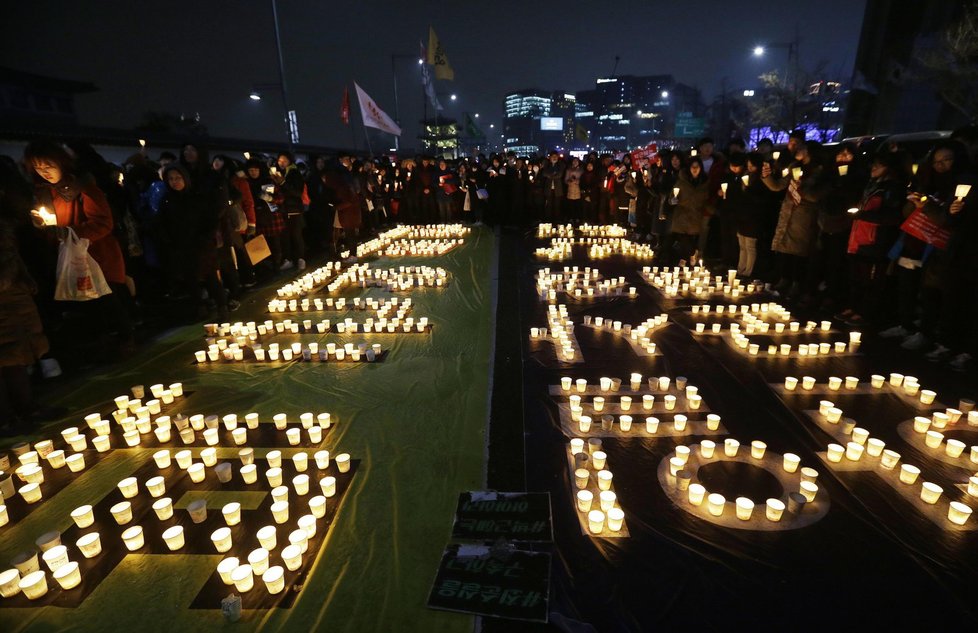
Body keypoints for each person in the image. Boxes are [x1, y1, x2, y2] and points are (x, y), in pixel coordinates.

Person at [24, 140, 134, 357]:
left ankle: (126, 339)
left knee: (108, 300)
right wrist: (42, 227)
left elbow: (103, 223)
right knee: (87, 304)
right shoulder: (44, 194)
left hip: (97, 256)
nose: (44, 172)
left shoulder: (83, 189)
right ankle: (103, 343)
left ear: (61, 163)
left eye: (48, 165)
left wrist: (70, 232)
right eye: (38, 168)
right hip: (71, 258)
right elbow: (51, 231)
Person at [840, 152, 908, 326]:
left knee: (871, 280)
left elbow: (892, 217)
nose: (874, 168)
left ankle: (865, 313)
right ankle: (854, 307)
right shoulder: (871, 186)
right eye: (874, 164)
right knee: (856, 277)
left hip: (876, 242)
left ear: (890, 169)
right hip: (859, 238)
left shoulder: (893, 189)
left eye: (880, 165)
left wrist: (863, 215)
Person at [761, 140, 832, 299]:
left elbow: (815, 196)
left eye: (803, 148)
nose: (798, 150)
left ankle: (797, 283)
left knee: (799, 252)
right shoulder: (794, 167)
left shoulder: (820, 172)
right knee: (785, 249)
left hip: (805, 216)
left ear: (810, 152)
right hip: (788, 213)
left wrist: (801, 188)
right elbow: (778, 186)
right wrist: (767, 176)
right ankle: (784, 279)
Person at [668, 156, 712, 264]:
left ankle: (686, 260)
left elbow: (707, 200)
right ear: (689, 168)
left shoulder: (705, 183)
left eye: (697, 167)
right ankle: (688, 257)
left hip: (696, 217)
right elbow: (671, 198)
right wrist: (673, 200)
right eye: (693, 167)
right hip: (682, 217)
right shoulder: (681, 182)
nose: (695, 169)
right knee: (685, 241)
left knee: (691, 242)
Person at [271, 151, 306, 270]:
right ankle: (288, 259)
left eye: (285, 160)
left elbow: (297, 192)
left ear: (290, 161)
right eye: (280, 160)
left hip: (294, 209)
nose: (282, 163)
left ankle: (301, 259)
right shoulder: (276, 173)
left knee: (296, 235)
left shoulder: (294, 173)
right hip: (282, 210)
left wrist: (283, 182)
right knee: (285, 237)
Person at [539, 151, 565, 221]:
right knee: (548, 205)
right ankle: (548, 220)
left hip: (558, 188)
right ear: (550, 158)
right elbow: (544, 173)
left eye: (555, 156)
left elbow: (560, 174)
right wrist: (553, 174)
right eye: (552, 156)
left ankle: (557, 220)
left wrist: (549, 175)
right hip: (548, 188)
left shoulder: (561, 164)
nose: (554, 158)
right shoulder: (547, 164)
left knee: (557, 205)